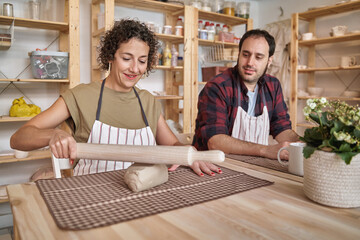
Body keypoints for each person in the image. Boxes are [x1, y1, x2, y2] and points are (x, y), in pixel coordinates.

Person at [10, 19, 221, 177]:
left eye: (142, 61)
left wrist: (189, 154)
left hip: (142, 194)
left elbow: (173, 146)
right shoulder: (80, 96)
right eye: (126, 58)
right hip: (91, 197)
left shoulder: (147, 101)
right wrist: (53, 135)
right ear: (111, 56)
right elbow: (18, 138)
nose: (134, 68)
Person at [193, 29, 299, 160]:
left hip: (254, 163)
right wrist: (265, 150)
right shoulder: (218, 87)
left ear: (269, 61)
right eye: (245, 55)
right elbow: (215, 142)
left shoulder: (273, 86)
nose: (250, 62)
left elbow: (282, 128)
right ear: (239, 54)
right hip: (214, 165)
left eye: (258, 57)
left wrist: (306, 145)